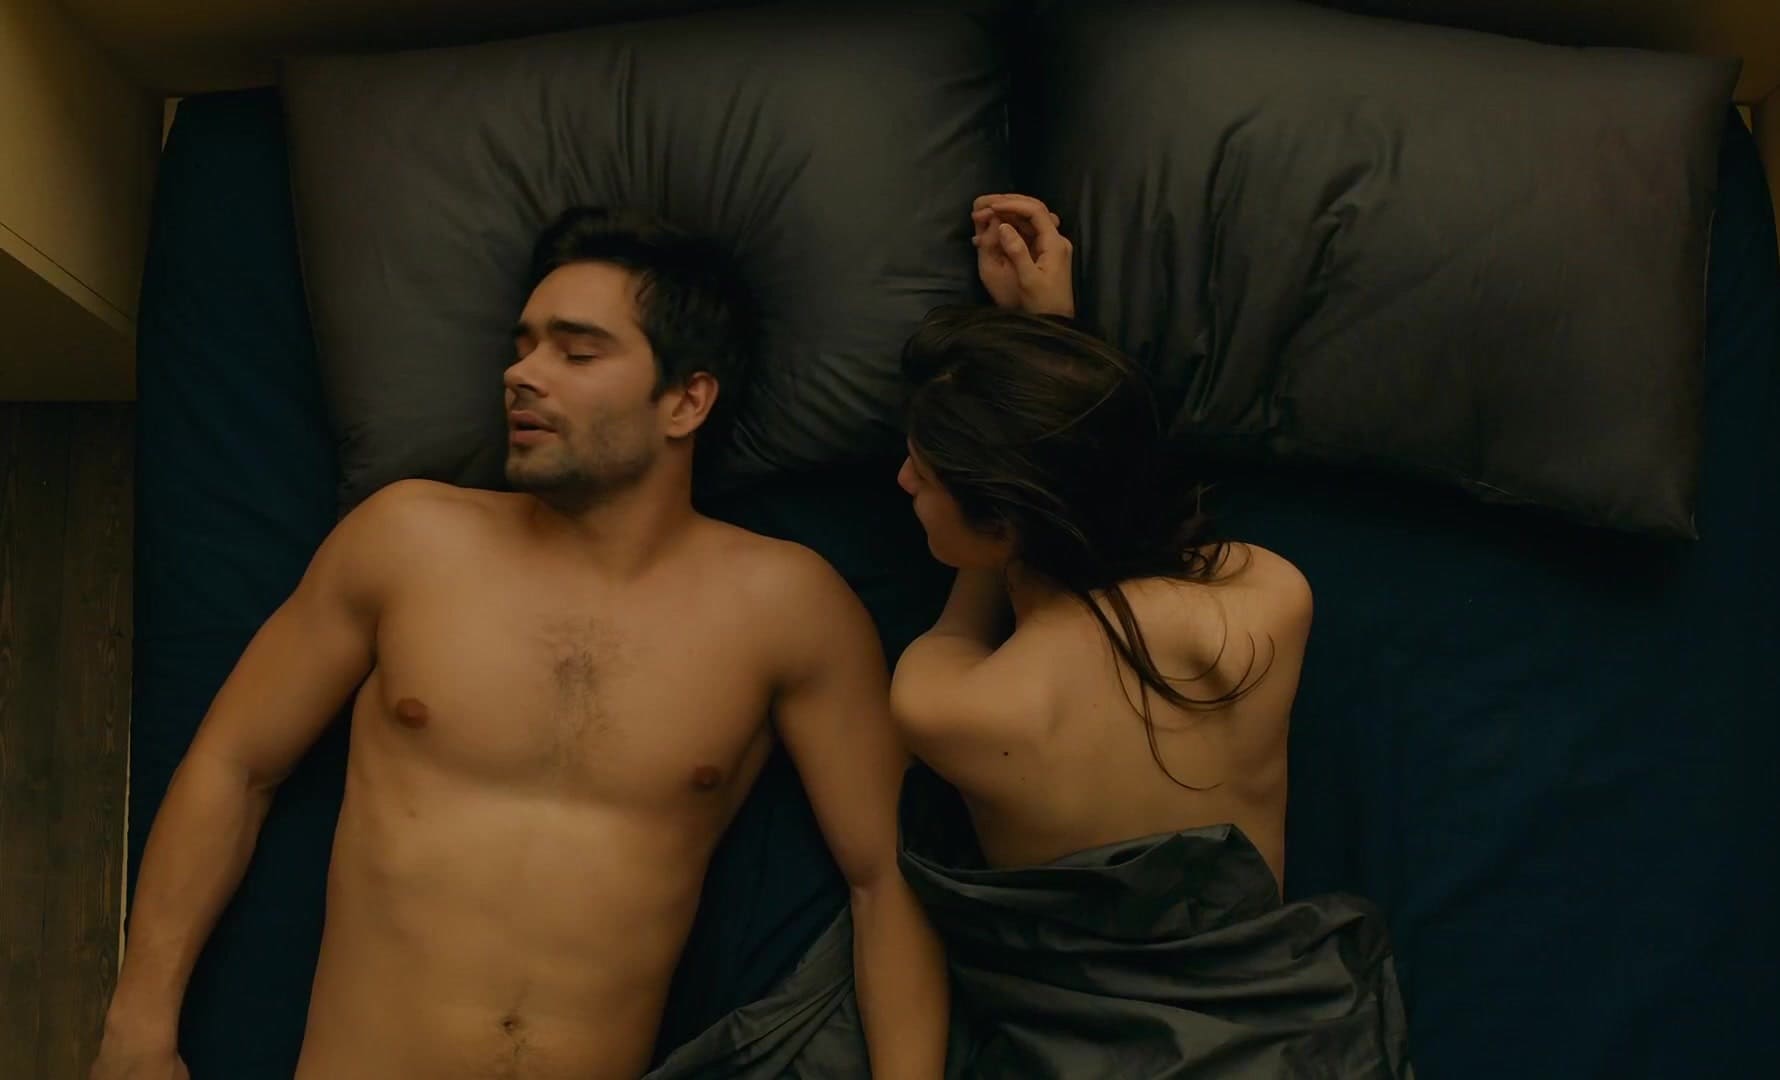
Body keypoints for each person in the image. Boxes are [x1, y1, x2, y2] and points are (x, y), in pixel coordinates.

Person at [92, 207, 949, 1080]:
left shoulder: (788, 607)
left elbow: (884, 877)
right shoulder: (407, 540)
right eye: (523, 345)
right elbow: (234, 765)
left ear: (686, 401)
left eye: (575, 353)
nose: (520, 374)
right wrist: (137, 1026)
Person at [889, 194, 1413, 1077]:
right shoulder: (1269, 598)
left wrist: (1041, 361)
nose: (903, 480)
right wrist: (1048, 351)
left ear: (1004, 524)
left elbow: (978, 594)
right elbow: (1110, 485)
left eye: (925, 473)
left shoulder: (949, 704)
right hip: (1276, 1044)